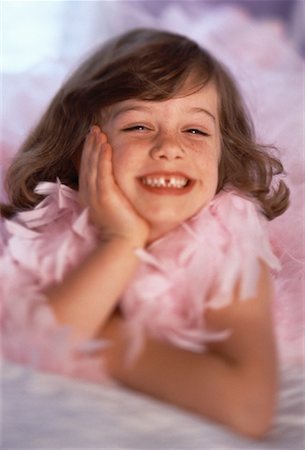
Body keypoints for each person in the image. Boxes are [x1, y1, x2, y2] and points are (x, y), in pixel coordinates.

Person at [0, 28, 290, 438]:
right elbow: (19, 350)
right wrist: (121, 241)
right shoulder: (42, 237)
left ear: (224, 156)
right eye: (138, 126)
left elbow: (248, 409)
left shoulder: (232, 251)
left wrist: (102, 337)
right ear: (80, 148)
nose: (169, 147)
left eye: (196, 130)